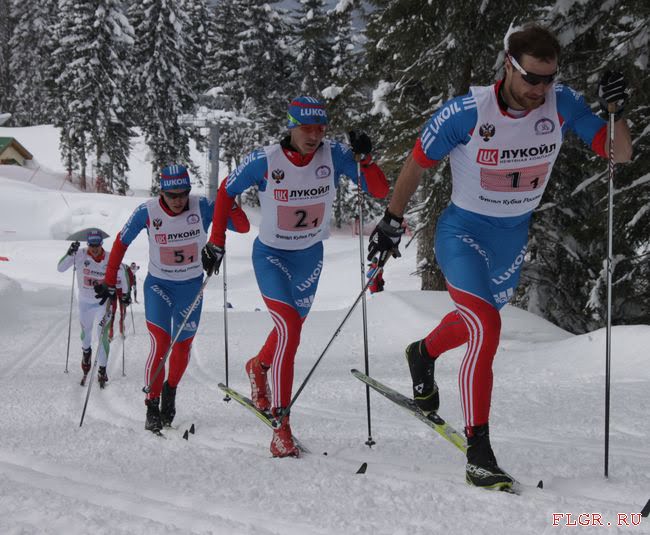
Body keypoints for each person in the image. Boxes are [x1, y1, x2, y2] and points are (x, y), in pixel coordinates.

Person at [367, 24, 632, 490]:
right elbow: (417, 161)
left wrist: (617, 114)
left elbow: (619, 154)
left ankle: (422, 353)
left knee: (479, 318)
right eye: (531, 78)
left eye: (548, 78)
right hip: (462, 234)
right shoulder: (467, 112)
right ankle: (479, 452)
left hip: (511, 238)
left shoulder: (561, 103)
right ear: (508, 65)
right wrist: (392, 219)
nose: (540, 89)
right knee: (487, 325)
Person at [202, 96, 390, 457]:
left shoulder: (334, 155)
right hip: (271, 257)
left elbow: (379, 191)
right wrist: (216, 241)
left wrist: (365, 159)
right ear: (291, 126)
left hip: (310, 257)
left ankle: (258, 367)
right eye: (307, 128)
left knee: (290, 328)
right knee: (289, 326)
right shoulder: (265, 160)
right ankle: (281, 428)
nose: (314, 136)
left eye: (320, 128)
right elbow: (226, 190)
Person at [95, 165, 250, 434]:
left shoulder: (202, 207)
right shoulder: (147, 211)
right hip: (159, 286)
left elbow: (243, 226)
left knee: (182, 347)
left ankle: (170, 390)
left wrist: (229, 200)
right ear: (161, 192)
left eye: (183, 194)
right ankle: (151, 405)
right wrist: (110, 280)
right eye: (172, 195)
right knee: (161, 343)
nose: (178, 200)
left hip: (191, 289)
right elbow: (121, 242)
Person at [57, 230, 128, 387]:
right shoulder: (80, 255)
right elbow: (60, 268)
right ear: (87, 244)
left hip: (104, 303)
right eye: (91, 245)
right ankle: (86, 352)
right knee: (86, 334)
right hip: (85, 303)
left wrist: (125, 295)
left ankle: (102, 370)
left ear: (101, 244)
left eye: (97, 245)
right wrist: (69, 254)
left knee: (102, 335)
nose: (94, 249)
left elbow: (123, 274)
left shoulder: (110, 257)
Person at [109, 263, 132, 341]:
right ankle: (110, 332)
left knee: (122, 310)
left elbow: (130, 278)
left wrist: (128, 291)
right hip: (113, 290)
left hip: (122, 290)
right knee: (112, 310)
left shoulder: (125, 267)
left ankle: (121, 329)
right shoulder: (108, 265)